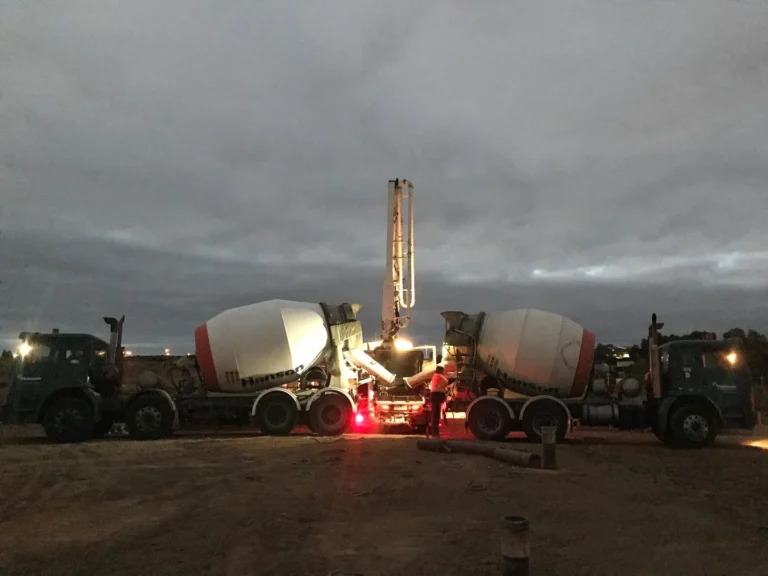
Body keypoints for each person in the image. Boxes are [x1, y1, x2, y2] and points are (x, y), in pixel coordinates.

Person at [428, 365, 449, 437]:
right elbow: (446, 381)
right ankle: (434, 430)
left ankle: (434, 429)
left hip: (434, 396)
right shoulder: (439, 376)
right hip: (437, 396)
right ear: (440, 370)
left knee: (435, 412)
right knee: (436, 413)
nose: (443, 372)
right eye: (443, 370)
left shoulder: (435, 376)